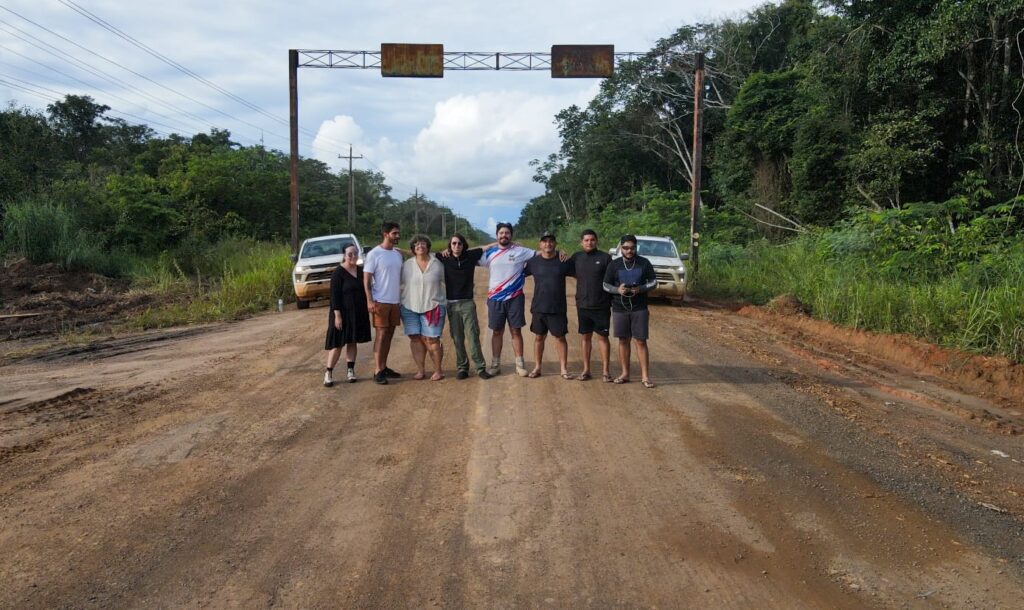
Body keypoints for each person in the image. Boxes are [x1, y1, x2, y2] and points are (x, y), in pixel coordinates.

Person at [479, 222, 535, 377]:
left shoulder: (520, 251)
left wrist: (561, 252)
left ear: (511, 235)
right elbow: (468, 253)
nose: (504, 236)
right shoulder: (489, 253)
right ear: (497, 235)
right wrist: (491, 244)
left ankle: (520, 364)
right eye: (501, 233)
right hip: (495, 299)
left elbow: (543, 253)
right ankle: (495, 364)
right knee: (497, 332)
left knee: (516, 331)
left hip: (515, 298)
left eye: (507, 233)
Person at [435, 233, 493, 380]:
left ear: (463, 245)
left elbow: (486, 247)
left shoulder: (470, 256)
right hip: (452, 305)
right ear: (450, 245)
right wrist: (398, 250)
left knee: (473, 336)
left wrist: (508, 244)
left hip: (467, 303)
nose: (456, 246)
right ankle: (462, 367)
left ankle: (480, 368)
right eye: (453, 243)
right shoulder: (445, 257)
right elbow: (419, 251)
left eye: (459, 243)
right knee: (457, 338)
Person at [603, 234, 658, 388]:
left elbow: (654, 282)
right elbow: (605, 285)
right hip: (619, 308)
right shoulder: (614, 265)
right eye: (625, 248)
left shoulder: (644, 263)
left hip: (639, 307)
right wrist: (617, 289)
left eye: (632, 248)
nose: (629, 251)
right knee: (623, 340)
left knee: (640, 341)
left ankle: (645, 377)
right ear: (621, 248)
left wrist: (640, 289)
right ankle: (625, 373)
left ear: (636, 247)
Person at [523, 230, 572, 379]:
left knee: (560, 338)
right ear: (540, 244)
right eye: (545, 241)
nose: (548, 243)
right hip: (539, 307)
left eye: (551, 241)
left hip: (558, 307)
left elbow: (581, 274)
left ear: (555, 244)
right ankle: (537, 367)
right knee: (539, 338)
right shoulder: (533, 262)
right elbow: (516, 273)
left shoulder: (563, 261)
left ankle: (563, 368)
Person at [324, 244, 372, 386]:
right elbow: (334, 296)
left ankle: (350, 371)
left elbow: (368, 288)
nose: (353, 256)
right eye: (349, 254)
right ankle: (328, 372)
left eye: (355, 253)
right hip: (341, 313)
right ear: (344, 255)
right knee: (337, 344)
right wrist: (337, 315)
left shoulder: (361, 271)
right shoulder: (338, 273)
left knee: (352, 341)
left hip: (357, 312)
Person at [568, 229, 613, 382]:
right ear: (581, 242)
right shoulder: (576, 257)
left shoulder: (606, 258)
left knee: (603, 338)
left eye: (592, 239)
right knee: (585, 338)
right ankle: (586, 370)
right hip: (583, 305)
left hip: (601, 305)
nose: (589, 242)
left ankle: (606, 371)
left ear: (596, 241)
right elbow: (568, 270)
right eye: (586, 240)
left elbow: (612, 279)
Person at [401, 235, 446, 381]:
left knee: (432, 339)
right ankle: (420, 370)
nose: (419, 246)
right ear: (413, 249)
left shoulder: (438, 263)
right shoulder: (407, 265)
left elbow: (449, 281)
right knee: (415, 338)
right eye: (416, 244)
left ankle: (438, 370)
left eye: (422, 244)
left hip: (433, 306)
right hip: (409, 306)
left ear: (428, 246)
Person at [363, 221, 404, 385]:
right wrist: (369, 300)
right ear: (385, 234)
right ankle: (377, 370)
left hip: (394, 301)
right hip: (380, 301)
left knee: (389, 335)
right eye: (394, 233)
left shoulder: (397, 254)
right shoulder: (374, 254)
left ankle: (384, 366)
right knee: (381, 335)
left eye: (398, 233)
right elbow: (366, 278)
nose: (398, 236)